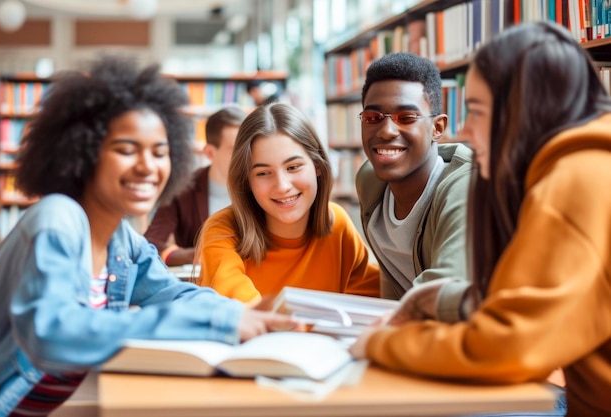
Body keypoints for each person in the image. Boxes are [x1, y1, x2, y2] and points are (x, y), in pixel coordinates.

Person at [0, 56, 297, 417]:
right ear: (83, 153)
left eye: (159, 152)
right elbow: (53, 334)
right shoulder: (58, 218)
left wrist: (242, 311)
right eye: (126, 150)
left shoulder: (121, 238)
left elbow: (172, 293)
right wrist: (221, 322)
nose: (148, 167)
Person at [350, 21, 611, 417]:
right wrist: (442, 301)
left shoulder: (575, 182)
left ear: (522, 111)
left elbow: (515, 348)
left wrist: (378, 346)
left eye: (477, 112)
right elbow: (524, 303)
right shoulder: (574, 172)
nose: (466, 131)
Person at [196, 102, 380, 305]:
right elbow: (246, 311)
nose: (282, 186)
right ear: (246, 180)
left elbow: (372, 303)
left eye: (293, 167)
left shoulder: (336, 223)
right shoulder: (222, 230)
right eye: (263, 173)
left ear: (317, 165)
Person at [356, 51, 473, 323]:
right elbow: (393, 279)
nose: (386, 131)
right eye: (373, 117)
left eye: (406, 117)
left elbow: (445, 290)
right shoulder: (370, 180)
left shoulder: (467, 187)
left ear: (437, 127)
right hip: (412, 338)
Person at [144, 106, 246, 266]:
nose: (246, 157)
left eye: (248, 147)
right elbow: (150, 243)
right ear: (210, 153)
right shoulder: (183, 187)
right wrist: (195, 255)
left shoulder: (260, 184)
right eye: (235, 150)